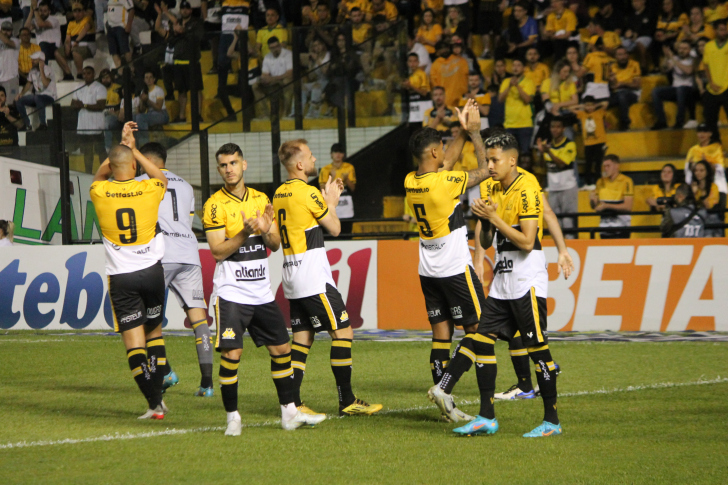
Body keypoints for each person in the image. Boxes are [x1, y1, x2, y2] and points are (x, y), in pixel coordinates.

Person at [430, 130, 562, 438]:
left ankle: (552, 421)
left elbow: (528, 241)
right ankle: (486, 416)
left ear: (512, 160)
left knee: (537, 349)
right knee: (482, 340)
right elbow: (488, 241)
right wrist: (486, 221)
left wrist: (496, 218)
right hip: (503, 279)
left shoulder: (527, 187)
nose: (489, 165)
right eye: (487, 159)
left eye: (494, 159)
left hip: (527, 279)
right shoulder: (490, 187)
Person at [203, 143, 326, 435]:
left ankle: (289, 414)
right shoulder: (214, 205)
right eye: (223, 165)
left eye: (233, 163)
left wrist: (267, 228)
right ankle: (233, 417)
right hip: (231, 293)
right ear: (219, 169)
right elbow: (218, 252)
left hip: (261, 293)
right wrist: (245, 231)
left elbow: (274, 245)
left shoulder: (261, 198)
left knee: (282, 349)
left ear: (243, 165)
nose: (229, 169)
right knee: (232, 355)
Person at [272, 138, 382, 417]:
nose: (313, 160)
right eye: (309, 156)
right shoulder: (307, 193)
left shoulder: (279, 193)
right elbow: (334, 227)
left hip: (292, 278)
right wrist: (331, 201)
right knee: (343, 332)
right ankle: (347, 400)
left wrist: (325, 199)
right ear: (298, 164)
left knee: (302, 339)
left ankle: (292, 403)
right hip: (313, 278)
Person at [404, 101, 490, 421]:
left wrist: (460, 134)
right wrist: (475, 134)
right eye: (441, 147)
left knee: (442, 335)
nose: (445, 152)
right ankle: (445, 388)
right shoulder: (445, 183)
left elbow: (446, 160)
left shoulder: (411, 181)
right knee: (479, 330)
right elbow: (484, 171)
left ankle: (445, 407)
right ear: (435, 154)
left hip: (428, 270)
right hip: (454, 268)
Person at [89, 122, 169, 420]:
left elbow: (101, 173)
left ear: (112, 165)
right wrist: (133, 147)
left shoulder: (100, 191)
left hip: (121, 278)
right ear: (135, 165)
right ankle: (157, 398)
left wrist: (120, 150)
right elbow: (160, 175)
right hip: (152, 272)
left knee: (134, 344)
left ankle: (154, 403)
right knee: (155, 335)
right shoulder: (149, 188)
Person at [136, 142, 213, 397]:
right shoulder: (187, 185)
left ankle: (166, 371)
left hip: (159, 254)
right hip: (189, 252)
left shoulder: (141, 182)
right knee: (199, 319)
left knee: (146, 319)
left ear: (146, 160)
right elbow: (188, 220)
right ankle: (207, 384)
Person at [163, 1, 204, 124]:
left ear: (191, 10)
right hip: (178, 62)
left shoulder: (196, 22)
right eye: (182, 8)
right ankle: (181, 116)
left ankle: (198, 115)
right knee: (181, 91)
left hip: (192, 62)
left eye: (187, 8)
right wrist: (175, 32)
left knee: (196, 90)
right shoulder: (177, 23)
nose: (185, 11)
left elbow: (198, 37)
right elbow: (169, 41)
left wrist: (183, 31)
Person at [538, 117, 578, 236]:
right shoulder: (547, 145)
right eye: (552, 127)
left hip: (568, 187)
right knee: (555, 221)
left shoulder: (569, 144)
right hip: (553, 188)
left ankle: (572, 246)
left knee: (568, 220)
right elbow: (541, 166)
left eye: (558, 127)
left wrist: (548, 152)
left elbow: (562, 164)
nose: (554, 130)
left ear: (563, 128)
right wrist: (541, 152)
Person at [71, 66, 107, 174]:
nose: (86, 75)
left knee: (100, 150)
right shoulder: (79, 87)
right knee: (87, 151)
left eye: (89, 73)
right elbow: (73, 103)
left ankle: (106, 173)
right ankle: (88, 172)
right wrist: (77, 105)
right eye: (84, 73)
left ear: (94, 74)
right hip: (83, 124)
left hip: (96, 125)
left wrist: (84, 105)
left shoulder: (100, 88)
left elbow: (101, 105)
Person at [652, 40, 695, 129]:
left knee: (681, 89)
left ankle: (680, 121)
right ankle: (661, 121)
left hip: (689, 89)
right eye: (680, 48)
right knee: (656, 91)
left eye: (684, 48)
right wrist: (666, 57)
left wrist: (673, 59)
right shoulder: (675, 58)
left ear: (689, 50)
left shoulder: (693, 59)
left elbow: (688, 71)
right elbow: (664, 69)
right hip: (676, 89)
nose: (681, 50)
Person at [25, 1, 73, 80]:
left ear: (49, 11)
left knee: (44, 47)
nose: (42, 13)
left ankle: (65, 74)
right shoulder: (36, 19)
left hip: (55, 46)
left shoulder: (53, 19)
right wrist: (31, 12)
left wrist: (36, 10)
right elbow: (26, 29)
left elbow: (41, 24)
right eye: (40, 10)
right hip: (43, 48)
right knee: (40, 48)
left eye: (45, 11)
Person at [590, 154, 634, 238]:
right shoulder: (600, 182)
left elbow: (628, 206)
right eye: (604, 166)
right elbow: (595, 206)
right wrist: (592, 201)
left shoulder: (626, 181)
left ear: (617, 166)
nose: (605, 169)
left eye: (608, 166)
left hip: (621, 227)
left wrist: (607, 206)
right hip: (604, 228)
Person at [567, 95, 608, 187]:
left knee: (598, 163)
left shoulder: (599, 112)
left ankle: (598, 182)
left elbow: (605, 103)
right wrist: (582, 106)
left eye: (591, 105)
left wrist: (595, 105)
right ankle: (588, 183)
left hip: (600, 142)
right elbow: (570, 108)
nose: (589, 108)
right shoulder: (582, 114)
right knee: (588, 163)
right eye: (587, 105)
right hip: (588, 143)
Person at [498, 57, 535, 155]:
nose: (515, 68)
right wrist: (510, 86)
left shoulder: (529, 82)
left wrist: (517, 86)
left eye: (518, 65)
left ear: (523, 68)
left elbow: (527, 100)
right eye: (514, 65)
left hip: (525, 124)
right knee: (509, 155)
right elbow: (500, 99)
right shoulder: (506, 82)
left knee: (525, 154)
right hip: (509, 124)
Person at [684, 123, 726, 208]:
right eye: (699, 132)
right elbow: (687, 170)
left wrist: (707, 164)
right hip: (698, 188)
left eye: (705, 131)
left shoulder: (716, 148)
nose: (701, 134)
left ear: (710, 134)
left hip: (716, 187)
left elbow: (720, 170)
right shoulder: (693, 150)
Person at [319, 143, 356, 234]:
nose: (338, 154)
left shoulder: (349, 167)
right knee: (331, 229)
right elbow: (322, 190)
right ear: (331, 154)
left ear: (343, 154)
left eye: (340, 152)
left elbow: (353, 188)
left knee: (346, 229)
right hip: (331, 201)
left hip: (345, 200)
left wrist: (346, 179)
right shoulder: (325, 169)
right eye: (335, 152)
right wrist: (331, 178)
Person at [252, 36, 293, 119]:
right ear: (269, 48)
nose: (275, 49)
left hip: (284, 82)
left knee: (287, 82)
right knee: (255, 86)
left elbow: (289, 74)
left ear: (280, 46)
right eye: (272, 48)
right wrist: (264, 79)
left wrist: (272, 78)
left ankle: (286, 114)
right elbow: (264, 74)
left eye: (277, 46)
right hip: (274, 84)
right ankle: (265, 114)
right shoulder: (267, 57)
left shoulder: (288, 54)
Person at [701, 18, 728, 142]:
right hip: (712, 88)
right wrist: (711, 82)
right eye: (721, 29)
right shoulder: (709, 46)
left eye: (725, 29)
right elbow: (706, 65)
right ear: (715, 31)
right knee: (710, 120)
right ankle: (716, 145)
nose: (724, 32)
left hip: (727, 87)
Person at [15, 51, 55, 132]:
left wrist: (41, 69)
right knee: (19, 101)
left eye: (34, 60)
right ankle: (27, 124)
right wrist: (21, 94)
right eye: (32, 59)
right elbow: (28, 84)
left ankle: (43, 124)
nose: (32, 61)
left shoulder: (48, 70)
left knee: (38, 98)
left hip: (49, 96)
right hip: (37, 97)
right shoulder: (32, 70)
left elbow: (46, 84)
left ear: (41, 61)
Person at [608, 46, 641, 131]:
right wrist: (612, 82)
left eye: (624, 54)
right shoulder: (612, 67)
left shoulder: (634, 64)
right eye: (619, 55)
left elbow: (637, 85)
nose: (622, 57)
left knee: (622, 95)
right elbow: (612, 86)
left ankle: (625, 123)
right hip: (616, 93)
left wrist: (623, 84)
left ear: (628, 55)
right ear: (615, 57)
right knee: (601, 100)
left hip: (632, 93)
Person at [429, 40, 469, 108]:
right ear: (437, 52)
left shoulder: (461, 60)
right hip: (446, 103)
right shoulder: (435, 65)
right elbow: (435, 86)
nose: (444, 50)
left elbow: (468, 77)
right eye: (441, 49)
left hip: (463, 100)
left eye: (445, 48)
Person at [133, 70, 169, 146]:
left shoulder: (158, 90)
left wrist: (147, 100)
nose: (148, 79)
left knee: (140, 118)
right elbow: (142, 110)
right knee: (134, 118)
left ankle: (144, 144)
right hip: (150, 114)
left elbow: (159, 107)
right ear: (144, 80)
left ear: (154, 79)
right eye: (146, 78)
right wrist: (142, 102)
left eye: (150, 77)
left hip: (161, 114)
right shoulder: (144, 91)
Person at [621, 0, 655, 73]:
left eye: (637, 1)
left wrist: (637, 34)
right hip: (632, 38)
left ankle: (644, 67)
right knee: (620, 43)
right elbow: (627, 28)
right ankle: (622, 66)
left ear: (643, 1)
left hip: (645, 36)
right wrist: (627, 33)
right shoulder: (631, 15)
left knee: (639, 43)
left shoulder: (650, 13)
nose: (635, 4)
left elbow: (651, 29)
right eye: (633, 1)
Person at [690, 159, 722, 236]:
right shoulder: (691, 187)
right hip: (695, 217)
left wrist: (701, 194)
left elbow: (709, 207)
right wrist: (693, 193)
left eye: (701, 170)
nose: (698, 173)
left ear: (707, 172)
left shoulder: (713, 187)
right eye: (696, 170)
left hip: (710, 216)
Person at [64, 2, 95, 80]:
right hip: (74, 46)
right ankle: (68, 74)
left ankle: (80, 73)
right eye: (75, 11)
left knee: (75, 50)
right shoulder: (71, 23)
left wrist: (77, 41)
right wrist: (67, 46)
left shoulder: (88, 19)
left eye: (79, 11)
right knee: (57, 53)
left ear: (84, 12)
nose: (77, 13)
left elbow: (85, 29)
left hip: (87, 46)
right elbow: (67, 39)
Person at [403, 52, 431, 124]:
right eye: (410, 61)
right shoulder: (406, 75)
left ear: (418, 62)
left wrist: (411, 86)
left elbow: (424, 92)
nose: (412, 64)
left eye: (415, 61)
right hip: (412, 108)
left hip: (422, 107)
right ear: (407, 63)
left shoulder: (422, 74)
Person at [105, 0, 134, 69]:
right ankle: (119, 71)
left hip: (121, 26)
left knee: (125, 49)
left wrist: (129, 25)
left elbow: (131, 10)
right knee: (113, 51)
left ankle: (131, 69)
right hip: (110, 27)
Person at [102, 68, 123, 153]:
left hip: (116, 115)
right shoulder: (99, 89)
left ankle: (108, 148)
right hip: (103, 113)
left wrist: (116, 113)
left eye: (107, 77)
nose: (105, 80)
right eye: (103, 78)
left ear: (111, 77)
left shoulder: (118, 88)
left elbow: (122, 105)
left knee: (106, 122)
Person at [0, 21, 19, 102]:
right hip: (1, 78)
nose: (6, 32)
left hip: (12, 77)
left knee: (11, 103)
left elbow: (7, 42)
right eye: (4, 30)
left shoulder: (16, 41)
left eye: (8, 30)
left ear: (12, 31)